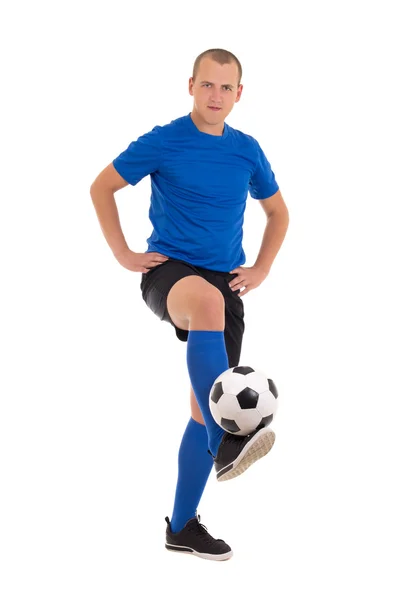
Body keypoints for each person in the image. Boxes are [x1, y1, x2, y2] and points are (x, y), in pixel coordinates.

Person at [90, 48, 289, 561]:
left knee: (203, 407)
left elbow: (278, 212)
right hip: (171, 274)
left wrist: (262, 267)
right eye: (207, 85)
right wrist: (123, 253)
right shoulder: (165, 139)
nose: (216, 96)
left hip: (229, 284)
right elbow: (102, 186)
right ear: (191, 86)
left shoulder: (247, 150)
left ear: (239, 94)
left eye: (226, 87)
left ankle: (181, 526)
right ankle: (231, 440)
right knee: (204, 301)